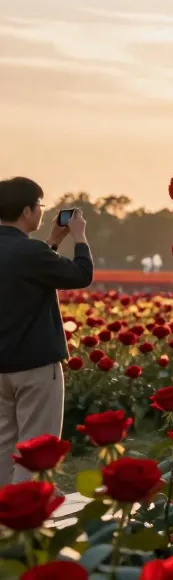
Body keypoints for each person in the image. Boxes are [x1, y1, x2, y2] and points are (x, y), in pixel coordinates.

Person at [0, 178, 94, 484]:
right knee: (35, 451)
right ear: (27, 210)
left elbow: (28, 270)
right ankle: (27, 521)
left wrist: (52, 241)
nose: (41, 210)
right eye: (39, 205)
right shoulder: (31, 252)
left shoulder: (31, 252)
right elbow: (80, 275)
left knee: (3, 450)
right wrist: (79, 237)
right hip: (35, 367)